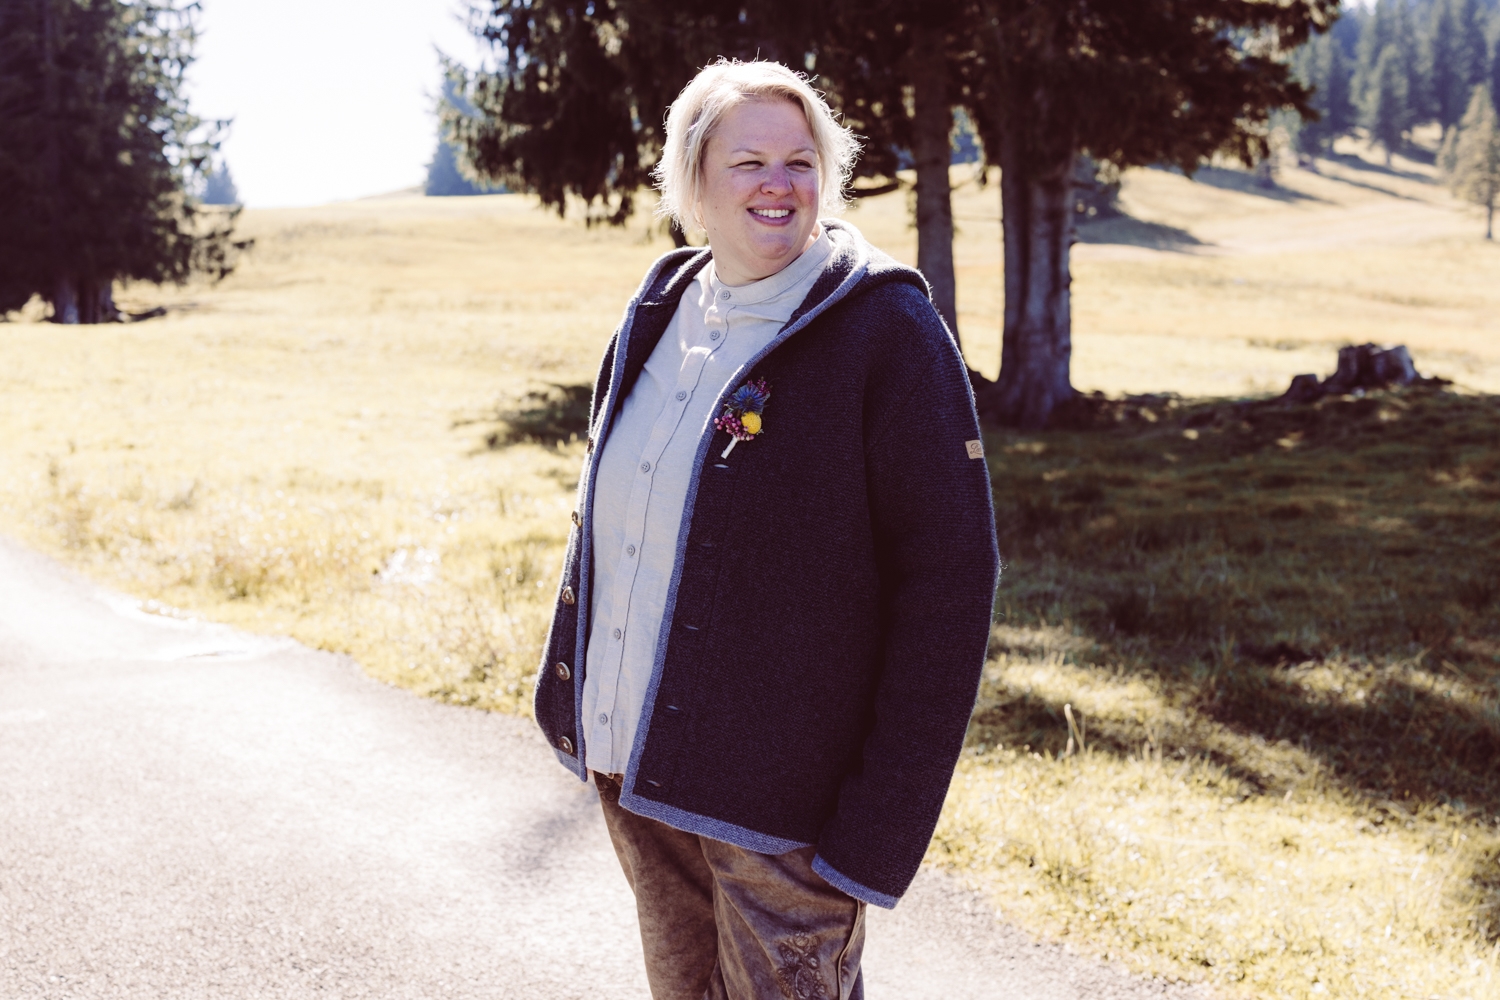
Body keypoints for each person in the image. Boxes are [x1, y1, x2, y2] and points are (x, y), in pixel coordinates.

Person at [533, 59, 999, 1000]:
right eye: (748, 162)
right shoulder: (658, 311)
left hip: (783, 818)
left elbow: (951, 580)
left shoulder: (886, 330)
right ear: (694, 181)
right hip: (638, 775)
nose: (778, 184)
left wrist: (879, 826)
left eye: (800, 161)